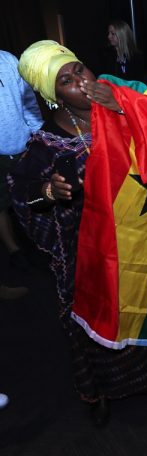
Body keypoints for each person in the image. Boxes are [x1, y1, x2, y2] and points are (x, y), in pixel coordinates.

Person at [10, 41, 147, 426]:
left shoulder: (123, 102)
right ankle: (96, 393)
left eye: (79, 70)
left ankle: (142, 380)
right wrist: (49, 192)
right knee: (92, 328)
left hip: (136, 242)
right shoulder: (45, 145)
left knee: (139, 307)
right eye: (65, 81)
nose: (79, 82)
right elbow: (23, 197)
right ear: (54, 97)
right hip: (86, 257)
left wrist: (120, 103)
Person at [0, 49, 42, 300]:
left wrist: (37, 132)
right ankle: (14, 250)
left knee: (32, 197)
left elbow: (28, 101)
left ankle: (38, 245)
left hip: (23, 144)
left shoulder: (8, 59)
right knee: (1, 204)